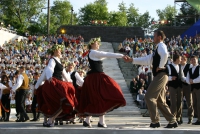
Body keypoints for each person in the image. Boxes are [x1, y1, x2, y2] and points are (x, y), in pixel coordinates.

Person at [124, 30, 178, 128]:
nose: (153, 38)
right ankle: (172, 120)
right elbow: (147, 60)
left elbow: (165, 54)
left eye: (154, 36)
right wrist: (132, 60)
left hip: (161, 75)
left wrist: (161, 66)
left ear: (159, 37)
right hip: (160, 75)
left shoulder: (161, 46)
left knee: (149, 96)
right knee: (160, 101)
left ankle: (155, 121)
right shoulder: (158, 48)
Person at [78, 37, 126, 128]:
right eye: (96, 43)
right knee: (101, 97)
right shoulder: (93, 52)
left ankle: (89, 121)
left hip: (94, 78)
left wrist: (119, 56)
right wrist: (121, 55)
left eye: (98, 43)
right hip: (96, 78)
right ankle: (99, 121)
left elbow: (104, 56)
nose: (98, 44)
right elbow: (106, 54)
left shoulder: (93, 53)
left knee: (96, 98)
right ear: (91, 44)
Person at [36, 44, 77, 127]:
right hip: (55, 83)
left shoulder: (58, 61)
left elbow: (64, 73)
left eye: (60, 50)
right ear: (54, 51)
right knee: (61, 102)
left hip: (59, 83)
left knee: (61, 103)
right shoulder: (52, 60)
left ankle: (50, 120)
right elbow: (49, 69)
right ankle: (50, 120)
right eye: (58, 50)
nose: (60, 51)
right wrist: (50, 77)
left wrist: (69, 81)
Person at [166, 54, 185, 124]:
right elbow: (166, 77)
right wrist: (171, 78)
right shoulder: (169, 66)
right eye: (180, 59)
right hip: (172, 86)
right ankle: (173, 117)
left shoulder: (180, 66)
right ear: (176, 59)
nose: (181, 60)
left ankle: (178, 117)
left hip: (180, 86)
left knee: (179, 102)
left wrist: (186, 80)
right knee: (173, 102)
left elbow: (182, 76)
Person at [186, 55, 200, 125]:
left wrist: (193, 81)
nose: (193, 61)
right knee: (194, 104)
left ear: (197, 60)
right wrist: (190, 81)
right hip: (193, 88)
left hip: (198, 88)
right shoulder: (190, 69)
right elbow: (187, 79)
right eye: (192, 60)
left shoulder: (199, 67)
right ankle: (198, 118)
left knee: (199, 104)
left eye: (194, 59)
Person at [180, 55, 193, 124]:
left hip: (187, 86)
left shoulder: (189, 66)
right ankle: (179, 117)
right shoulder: (178, 66)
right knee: (179, 102)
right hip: (180, 86)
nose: (180, 60)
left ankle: (190, 117)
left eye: (182, 59)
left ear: (185, 60)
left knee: (189, 102)